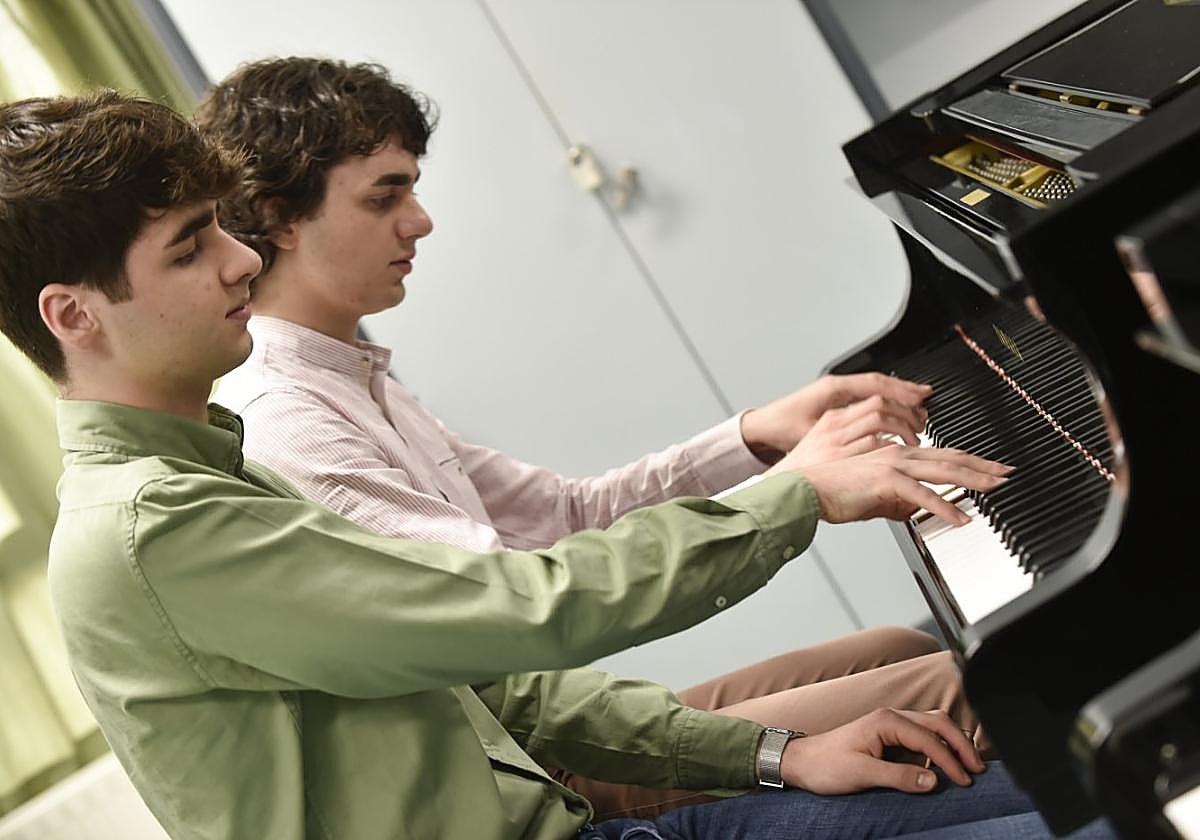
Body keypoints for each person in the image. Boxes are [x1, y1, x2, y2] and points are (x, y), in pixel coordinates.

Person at [0, 89, 1111, 840]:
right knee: (1070, 785)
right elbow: (522, 610)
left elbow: (502, 684)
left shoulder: (213, 467)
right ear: (74, 315)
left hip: (566, 809)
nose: (240, 259)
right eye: (190, 247)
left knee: (1026, 762)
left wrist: (778, 755)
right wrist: (796, 496)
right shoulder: (162, 526)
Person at [202, 57, 981, 820]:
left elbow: (568, 516)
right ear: (280, 217)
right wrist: (797, 494)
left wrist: (754, 436)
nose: (421, 220)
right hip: (534, 776)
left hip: (559, 728)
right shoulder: (286, 418)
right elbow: (525, 605)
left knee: (899, 648)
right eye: (385, 197)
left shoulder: (350, 375)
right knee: (954, 690)